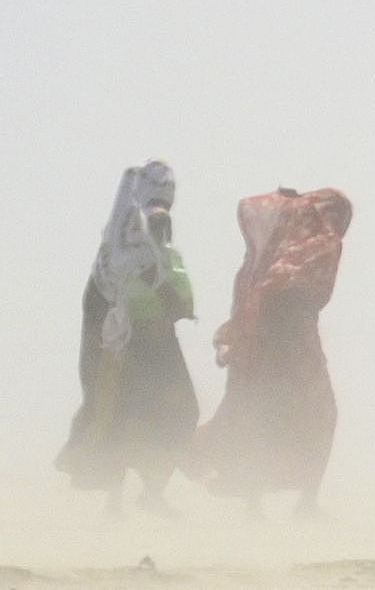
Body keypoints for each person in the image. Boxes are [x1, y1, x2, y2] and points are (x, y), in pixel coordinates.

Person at [190, 188, 355, 513]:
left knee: (260, 417)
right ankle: (304, 503)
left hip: (261, 351)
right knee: (317, 414)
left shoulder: (268, 259)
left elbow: (253, 298)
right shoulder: (320, 246)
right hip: (295, 349)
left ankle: (256, 504)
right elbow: (294, 300)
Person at [59, 162, 199, 514]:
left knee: (179, 413)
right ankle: (115, 500)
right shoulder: (110, 264)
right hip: (122, 353)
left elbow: (178, 298)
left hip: (159, 347)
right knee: (118, 418)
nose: (159, 216)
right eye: (152, 205)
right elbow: (102, 315)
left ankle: (152, 493)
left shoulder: (161, 252)